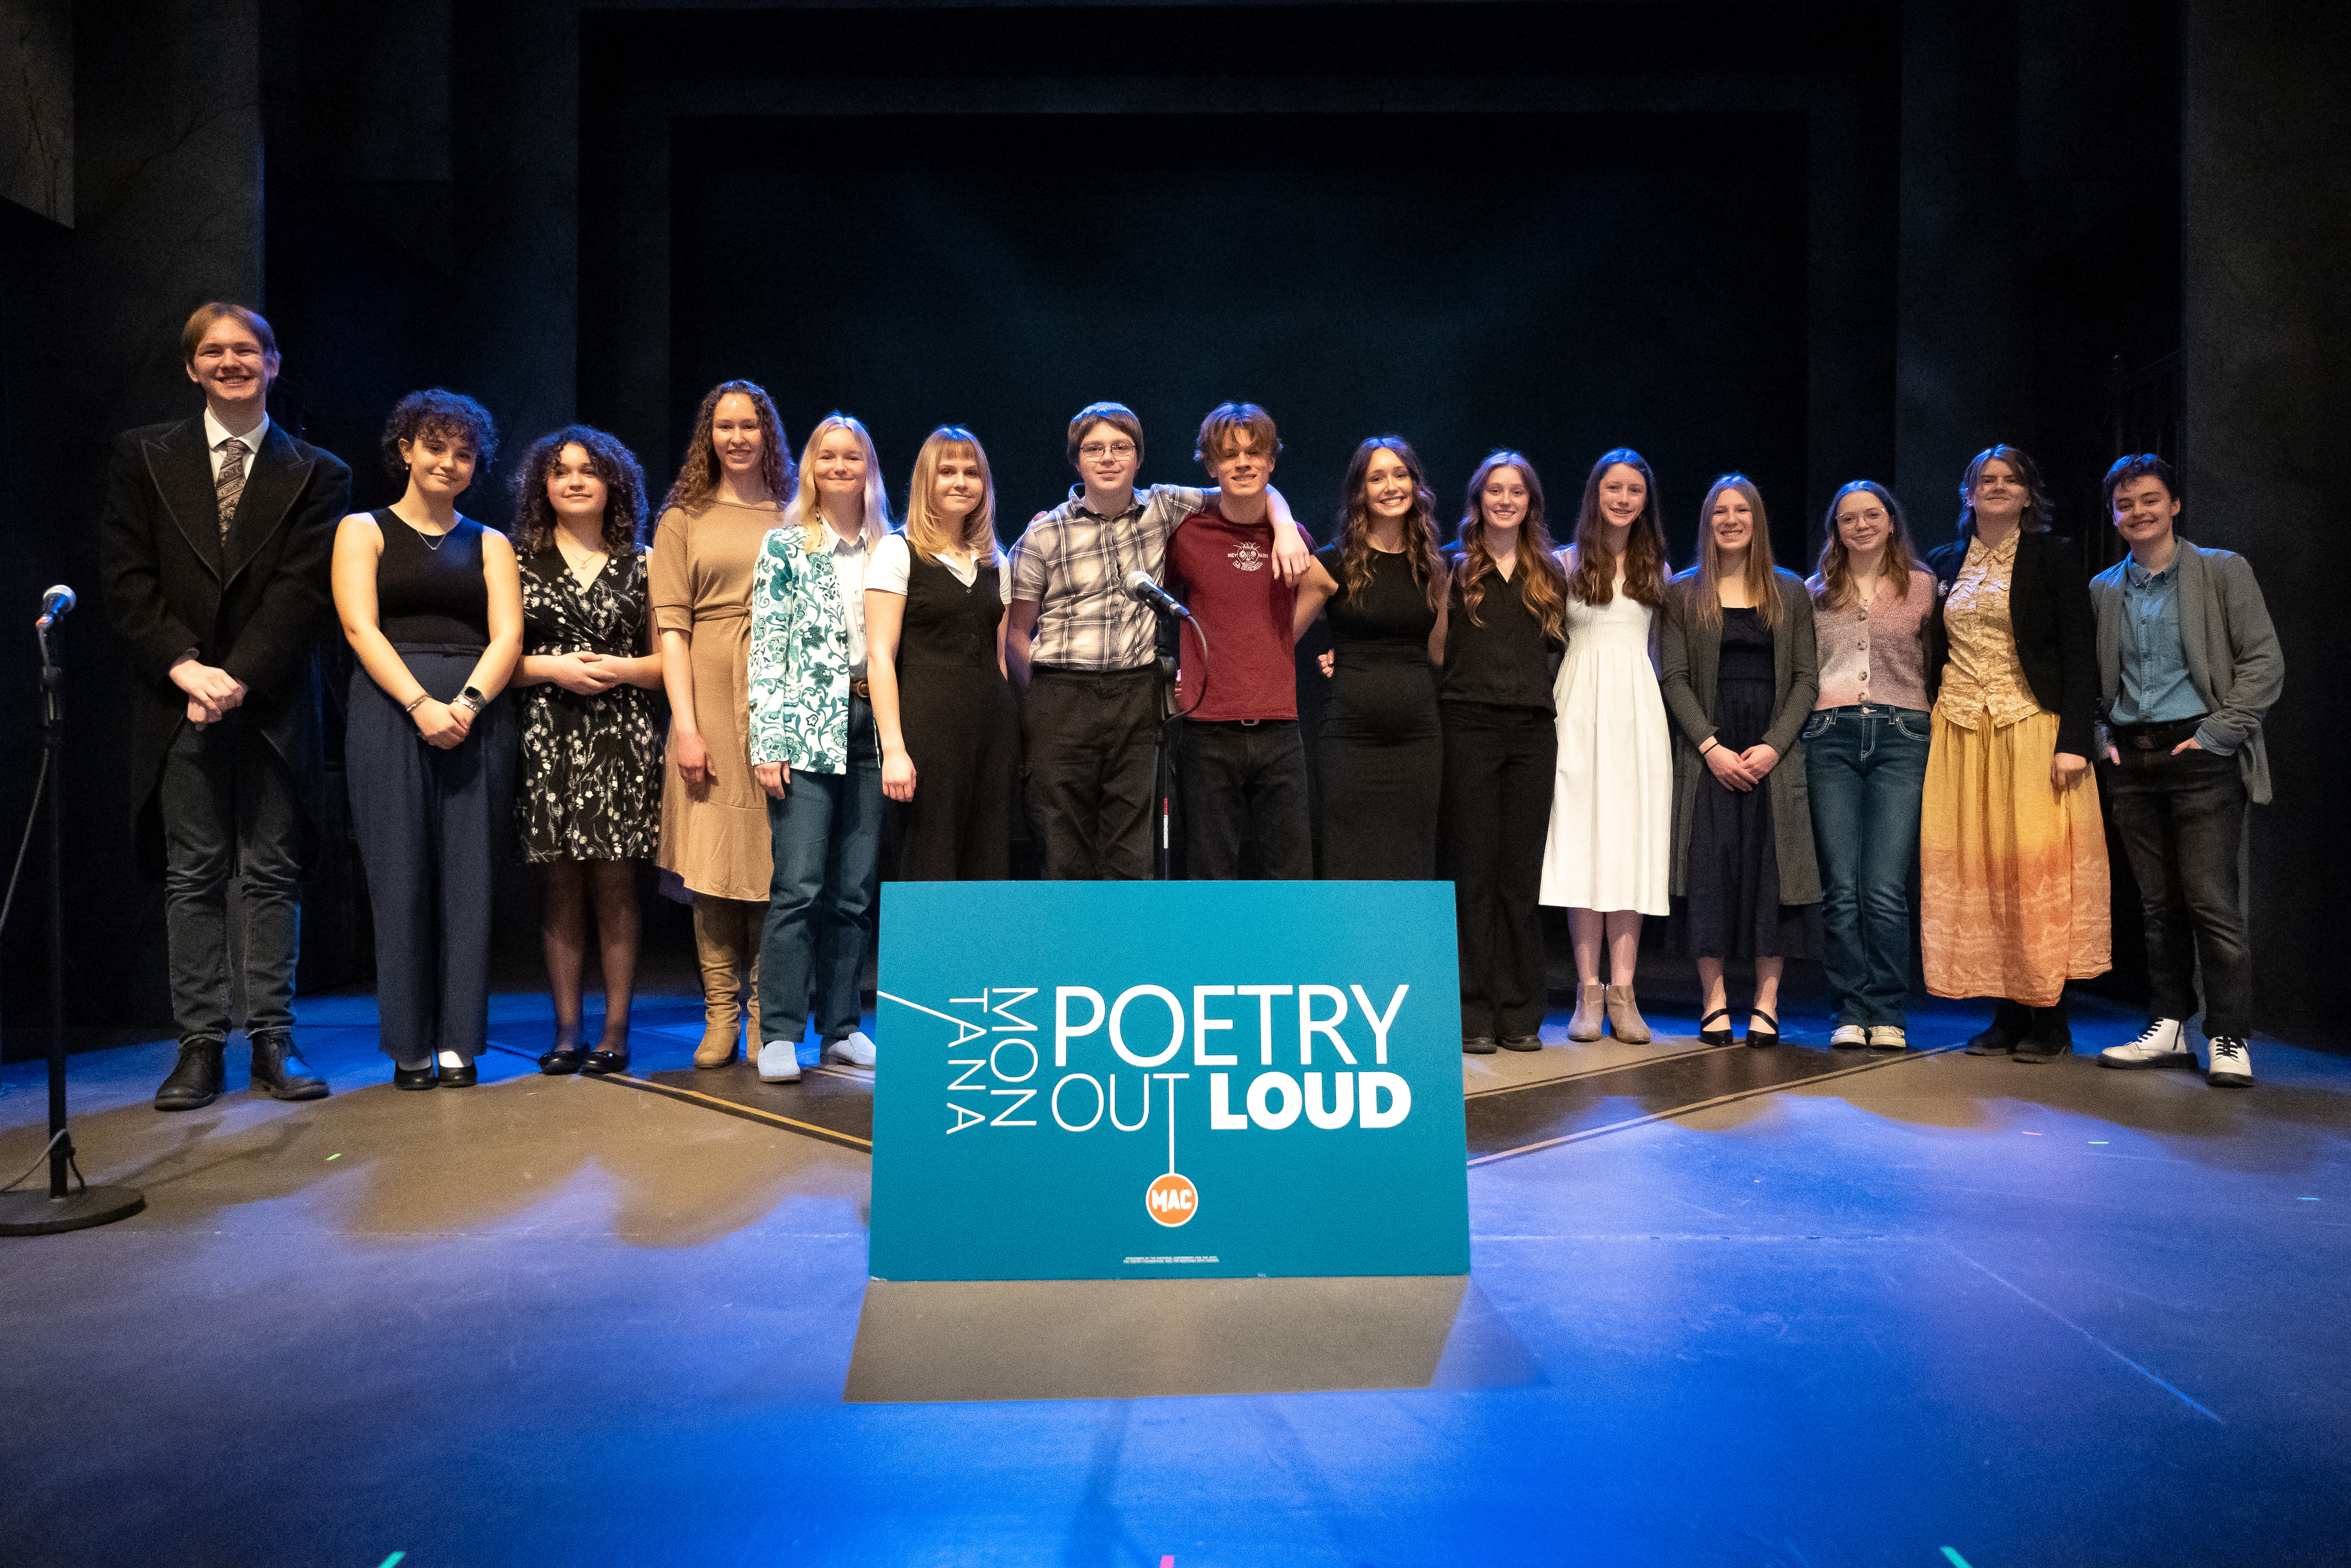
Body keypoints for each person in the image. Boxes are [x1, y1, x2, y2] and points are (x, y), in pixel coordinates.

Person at [97, 302, 352, 1110]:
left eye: (247, 350)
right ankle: (199, 1047)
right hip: (175, 697)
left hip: (272, 697)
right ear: (192, 368)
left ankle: (272, 1040)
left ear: (273, 364)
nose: (231, 362)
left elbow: (302, 590)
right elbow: (125, 577)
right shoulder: (143, 455)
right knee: (194, 873)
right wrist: (185, 667)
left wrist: (237, 676)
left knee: (272, 871)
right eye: (214, 352)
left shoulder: (318, 471)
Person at [1003, 402, 1310, 881]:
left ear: (1138, 458)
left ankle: (1128, 955)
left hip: (1136, 696)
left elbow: (1244, 486)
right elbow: (1016, 632)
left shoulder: (1165, 506)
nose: (1108, 457)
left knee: (1132, 854)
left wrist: (1286, 522)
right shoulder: (1042, 534)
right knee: (1062, 845)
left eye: (1120, 447)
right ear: (1077, 460)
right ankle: (1071, 954)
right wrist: (1040, 700)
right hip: (1060, 697)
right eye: (1094, 448)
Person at [330, 390, 522, 1089]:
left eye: (463, 452)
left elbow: (508, 636)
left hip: (476, 712)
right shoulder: (364, 529)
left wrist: (466, 704)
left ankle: (459, 1041)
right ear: (406, 449)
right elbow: (359, 627)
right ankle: (408, 1041)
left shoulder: (492, 542)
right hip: (390, 708)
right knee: (399, 874)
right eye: (435, 447)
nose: (448, 462)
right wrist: (419, 703)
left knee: (471, 881)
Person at [2089, 454, 2283, 1087]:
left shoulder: (2222, 571)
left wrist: (2215, 737)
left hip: (2199, 756)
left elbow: (2263, 663)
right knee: (2156, 906)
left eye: (2149, 499)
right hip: (2132, 760)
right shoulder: (2104, 588)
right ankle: (2169, 1025)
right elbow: (2091, 681)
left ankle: (2228, 1035)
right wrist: (2100, 737)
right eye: (2125, 504)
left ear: (2174, 505)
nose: (2137, 512)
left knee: (2212, 903)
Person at [1922, 444, 2109, 1062]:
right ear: (1968, 493)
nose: (1998, 488)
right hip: (1962, 729)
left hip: (2030, 723)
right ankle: (2005, 1011)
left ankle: (2049, 1018)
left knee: (2032, 868)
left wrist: (2075, 741)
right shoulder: (1946, 560)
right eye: (1986, 480)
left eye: (2011, 480)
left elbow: (2081, 654)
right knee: (1984, 868)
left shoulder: (2052, 557)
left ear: (2029, 494)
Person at [507, 426, 666, 1076]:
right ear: (543, 486)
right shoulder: (513, 561)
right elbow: (501, 664)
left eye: (589, 471)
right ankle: (568, 1030)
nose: (574, 480)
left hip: (623, 734)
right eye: (561, 471)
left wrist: (620, 671)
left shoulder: (645, 560)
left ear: (614, 485)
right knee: (559, 886)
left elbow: (667, 665)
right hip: (546, 733)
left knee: (616, 885)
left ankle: (616, 1030)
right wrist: (554, 669)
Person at [750, 414, 890, 1082]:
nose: (840, 466)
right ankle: (779, 1031)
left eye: (852, 456)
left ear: (869, 468)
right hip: (805, 728)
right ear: (811, 468)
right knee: (798, 885)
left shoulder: (890, 546)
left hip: (873, 723)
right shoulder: (784, 548)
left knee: (855, 890)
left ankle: (841, 1027)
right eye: (828, 456)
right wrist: (767, 741)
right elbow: (767, 650)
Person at [652, 381, 786, 1069]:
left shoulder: (793, 515)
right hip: (705, 685)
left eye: (749, 425)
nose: (737, 437)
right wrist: (687, 727)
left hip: (774, 689)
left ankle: (768, 1013)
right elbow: (671, 630)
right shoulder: (684, 517)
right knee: (711, 861)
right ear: (709, 436)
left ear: (768, 434)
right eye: (724, 426)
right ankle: (720, 1014)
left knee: (767, 859)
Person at [1659, 475, 1820, 1047]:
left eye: (1741, 510)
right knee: (1709, 876)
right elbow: (1673, 678)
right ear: (1707, 521)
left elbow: (1806, 679)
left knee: (1769, 876)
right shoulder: (1683, 592)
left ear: (1757, 520)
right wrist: (1711, 747)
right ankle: (1715, 1000)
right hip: (1709, 755)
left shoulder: (1791, 591)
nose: (1730, 519)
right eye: (1720, 511)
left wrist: (1774, 745)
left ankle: (1768, 1002)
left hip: (1772, 755)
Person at [1539, 449, 1674, 1043]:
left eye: (1634, 491)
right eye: (1613, 488)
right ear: (1595, 494)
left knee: (1631, 845)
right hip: (1578, 708)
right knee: (1583, 844)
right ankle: (1588, 991)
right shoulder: (1563, 563)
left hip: (1637, 712)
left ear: (1646, 501)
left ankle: (1625, 992)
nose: (1623, 499)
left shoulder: (1660, 569)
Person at [1440, 453, 1568, 1054]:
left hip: (1531, 733)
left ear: (1531, 503)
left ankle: (1520, 1011)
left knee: (1520, 875)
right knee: (1474, 873)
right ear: (1479, 499)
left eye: (1517, 491)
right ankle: (1473, 1011)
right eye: (1496, 490)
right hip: (1468, 724)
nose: (1506, 500)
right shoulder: (1453, 567)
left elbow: (1559, 651)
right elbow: (1435, 650)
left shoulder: (1550, 572)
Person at [1803, 481, 1937, 1051]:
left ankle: (1886, 1009)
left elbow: (1940, 664)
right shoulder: (1813, 593)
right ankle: (1848, 1010)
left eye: (1872, 515)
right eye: (1849, 518)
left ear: (1890, 521)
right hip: (1830, 736)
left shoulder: (1926, 586)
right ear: (1836, 529)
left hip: (1902, 734)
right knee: (1841, 886)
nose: (1861, 525)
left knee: (1884, 885)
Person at [1165, 403, 1311, 880]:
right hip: (1208, 730)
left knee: (1289, 872)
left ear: (1272, 461)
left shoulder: (1292, 536)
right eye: (1229, 455)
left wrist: (1284, 520)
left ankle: (1285, 958)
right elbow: (1146, 604)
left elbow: (1322, 592)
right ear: (1211, 466)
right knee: (1210, 870)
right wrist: (1168, 673)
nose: (1243, 463)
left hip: (1279, 727)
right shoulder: (1186, 534)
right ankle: (1211, 958)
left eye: (1255, 452)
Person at [1291, 437, 1448, 880]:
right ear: (1359, 491)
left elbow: (1438, 652)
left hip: (1419, 735)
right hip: (1350, 736)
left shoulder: (1433, 568)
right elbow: (1280, 642)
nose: (1390, 486)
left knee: (1414, 853)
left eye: (1400, 475)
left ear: (1416, 485)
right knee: (1348, 851)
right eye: (1376, 477)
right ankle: (1345, 950)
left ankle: (1405, 951)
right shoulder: (1329, 565)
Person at [867, 427, 1017, 880]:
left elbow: (998, 661)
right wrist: (893, 748)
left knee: (988, 859)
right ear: (926, 481)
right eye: (947, 471)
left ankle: (981, 954)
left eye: (971, 472)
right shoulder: (898, 551)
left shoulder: (996, 560)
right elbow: (879, 656)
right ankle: (925, 955)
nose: (961, 482)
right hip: (927, 734)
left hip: (992, 734)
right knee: (928, 860)